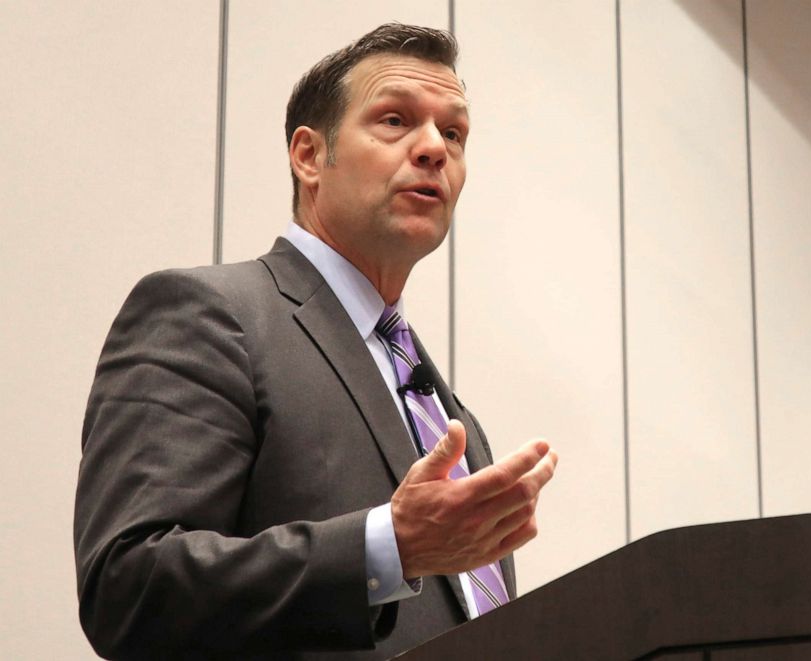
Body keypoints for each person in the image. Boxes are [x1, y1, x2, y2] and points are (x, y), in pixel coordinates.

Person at [74, 23, 558, 660]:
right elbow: (127, 585)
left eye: (455, 133)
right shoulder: (210, 316)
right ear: (309, 156)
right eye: (394, 120)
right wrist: (389, 547)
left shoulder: (454, 422)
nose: (434, 148)